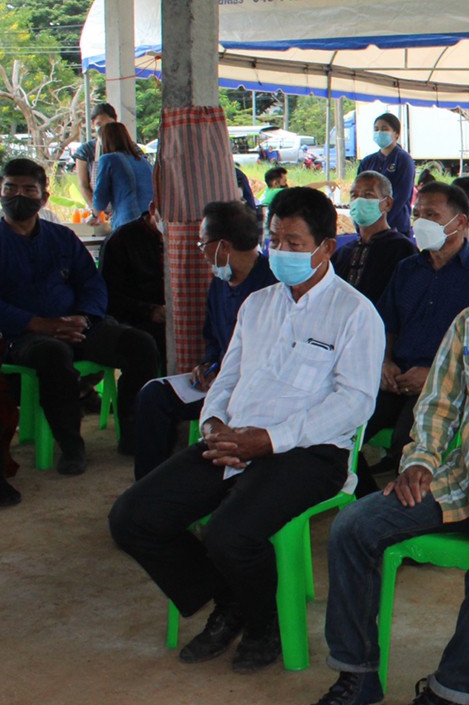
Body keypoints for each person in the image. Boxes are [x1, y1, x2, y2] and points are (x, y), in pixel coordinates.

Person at [288, 204, 469, 705]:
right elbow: (437, 406)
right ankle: (358, 676)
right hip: (460, 477)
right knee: (355, 525)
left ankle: (448, 691)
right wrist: (420, 462)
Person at [108, 187, 381, 675]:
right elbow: (228, 377)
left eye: (296, 242)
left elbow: (355, 402)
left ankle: (263, 624)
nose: (283, 251)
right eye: (276, 239)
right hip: (235, 439)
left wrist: (270, 440)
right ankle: (229, 599)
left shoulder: (355, 313)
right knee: (133, 516)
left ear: (327, 248)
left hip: (310, 452)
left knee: (230, 533)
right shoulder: (257, 304)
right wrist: (212, 422)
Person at [0, 157, 161, 473]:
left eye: (28, 189)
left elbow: (92, 283)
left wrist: (85, 318)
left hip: (78, 325)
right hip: (22, 335)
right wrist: (39, 324)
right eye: (10, 188)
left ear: (44, 198)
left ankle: (131, 433)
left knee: (141, 345)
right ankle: (71, 446)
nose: (18, 196)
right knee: (52, 354)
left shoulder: (61, 238)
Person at [132, 201, 276, 480]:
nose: (201, 251)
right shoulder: (221, 282)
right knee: (154, 394)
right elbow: (213, 335)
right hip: (218, 382)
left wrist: (230, 377)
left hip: (253, 391)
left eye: (203, 243)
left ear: (223, 246)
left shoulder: (272, 286)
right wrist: (208, 363)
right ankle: (149, 483)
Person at [369, 183, 469, 482]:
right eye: (417, 214)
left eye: (431, 215)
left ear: (461, 222)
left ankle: (401, 510)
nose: (420, 222)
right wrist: (385, 362)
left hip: (445, 383)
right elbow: (386, 323)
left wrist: (433, 375)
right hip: (395, 377)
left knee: (408, 441)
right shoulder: (407, 269)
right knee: (346, 422)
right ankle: (361, 494)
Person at [333, 171, 418, 305]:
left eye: (368, 195)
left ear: (387, 203)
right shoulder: (342, 254)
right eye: (354, 196)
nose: (359, 201)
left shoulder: (403, 251)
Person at [99, 205, 167, 367]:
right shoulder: (122, 239)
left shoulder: (188, 237)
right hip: (133, 319)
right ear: (153, 210)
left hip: (173, 318)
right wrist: (149, 311)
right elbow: (108, 296)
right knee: (149, 343)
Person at [358, 113, 416, 238]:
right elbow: (358, 192)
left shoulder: (403, 160)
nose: (379, 132)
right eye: (376, 129)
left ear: (396, 133)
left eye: (384, 129)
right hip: (369, 224)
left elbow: (401, 195)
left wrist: (381, 221)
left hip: (396, 224)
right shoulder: (367, 161)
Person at [93, 121, 155, 231]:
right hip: (151, 223)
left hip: (127, 224)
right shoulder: (143, 162)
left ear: (105, 141)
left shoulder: (108, 159)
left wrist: (94, 216)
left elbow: (100, 199)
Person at [73, 102, 118, 209]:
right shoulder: (85, 151)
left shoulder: (128, 147)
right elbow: (83, 185)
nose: (104, 129)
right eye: (99, 124)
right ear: (92, 124)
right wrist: (97, 211)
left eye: (109, 124)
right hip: (98, 210)